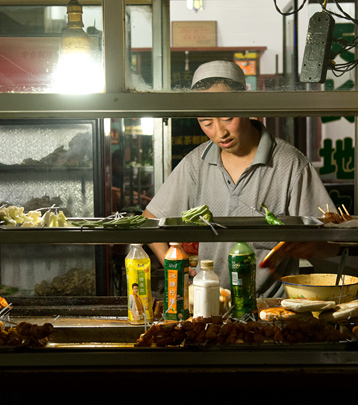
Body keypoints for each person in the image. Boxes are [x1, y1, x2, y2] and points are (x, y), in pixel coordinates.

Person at [142, 60, 338, 298]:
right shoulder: (197, 163)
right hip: (210, 305)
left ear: (246, 102)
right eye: (206, 123)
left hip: (270, 309)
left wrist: (308, 245)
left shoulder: (290, 164)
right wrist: (176, 270)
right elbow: (151, 221)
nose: (219, 132)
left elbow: (332, 242)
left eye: (227, 118)